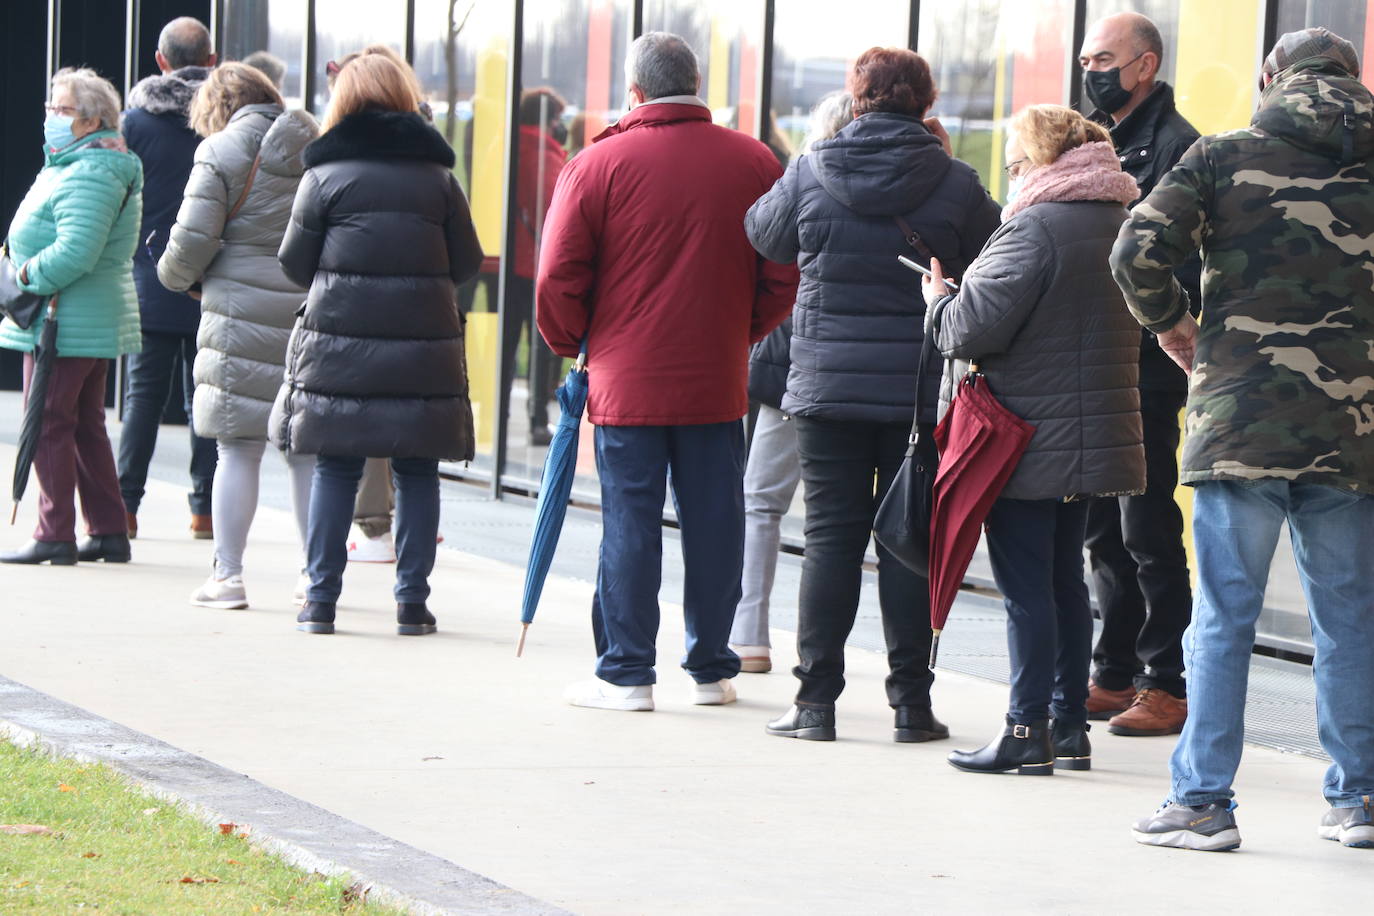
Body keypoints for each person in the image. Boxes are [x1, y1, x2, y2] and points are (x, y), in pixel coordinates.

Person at [1115, 27, 1374, 852]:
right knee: (1351, 618)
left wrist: (1174, 328)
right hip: (1354, 429)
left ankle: (1202, 803)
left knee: (1224, 617)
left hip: (1241, 423)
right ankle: (1361, 799)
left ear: (1273, 75)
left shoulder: (1226, 152)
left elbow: (1138, 247)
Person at [537, 32, 798, 711]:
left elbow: (557, 277)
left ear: (634, 91)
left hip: (627, 381)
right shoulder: (755, 162)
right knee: (716, 521)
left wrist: (578, 343)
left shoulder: (598, 165)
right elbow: (782, 275)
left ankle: (626, 672)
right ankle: (712, 668)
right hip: (716, 378)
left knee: (629, 521)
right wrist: (738, 334)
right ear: (698, 83)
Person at [747, 48, 1000, 742]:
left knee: (829, 540)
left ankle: (814, 705)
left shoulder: (811, 168)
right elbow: (997, 253)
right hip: (913, 393)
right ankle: (911, 707)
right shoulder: (953, 181)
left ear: (856, 100)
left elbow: (763, 235)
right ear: (928, 103)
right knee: (906, 540)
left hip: (824, 388)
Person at [927, 104, 1144, 774]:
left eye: (1018, 161)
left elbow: (967, 330)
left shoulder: (1035, 228)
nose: (1013, 174)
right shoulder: (1119, 220)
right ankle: (1069, 727)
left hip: (1026, 438)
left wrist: (938, 299)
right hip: (1092, 434)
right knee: (1065, 583)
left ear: (1045, 159)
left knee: (1027, 588)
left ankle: (1025, 733)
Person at [271, 54, 483, 635]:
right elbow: (466, 261)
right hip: (424, 348)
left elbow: (294, 265)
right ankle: (412, 603)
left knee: (336, 466)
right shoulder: (440, 180)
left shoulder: (323, 177)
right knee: (417, 471)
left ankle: (320, 603)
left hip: (340, 347)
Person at [156, 63, 319, 609]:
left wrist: (172, 278)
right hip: (302, 314)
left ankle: (228, 577)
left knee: (236, 449)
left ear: (218, 107)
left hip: (234, 317)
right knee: (303, 453)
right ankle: (311, 575)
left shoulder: (221, 152)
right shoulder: (314, 147)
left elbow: (191, 241)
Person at [1079, 11, 1200, 737]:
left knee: (1148, 527)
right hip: (1100, 364)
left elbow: (1177, 268)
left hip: (1149, 368)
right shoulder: (1101, 145)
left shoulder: (1178, 148)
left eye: (1104, 58)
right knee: (1103, 530)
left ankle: (1166, 681)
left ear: (1144, 65)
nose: (1091, 71)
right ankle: (1112, 669)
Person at [730, 89, 855, 676]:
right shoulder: (914, 183)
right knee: (854, 519)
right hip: (868, 375)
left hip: (793, 362)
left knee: (762, 501)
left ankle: (749, 631)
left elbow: (762, 238)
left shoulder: (805, 178)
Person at [0, 68, 142, 566]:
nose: (50, 118)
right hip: (74, 316)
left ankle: (53, 532)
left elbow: (76, 250)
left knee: (48, 423)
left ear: (90, 120)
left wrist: (22, 276)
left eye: (60, 110)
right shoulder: (78, 163)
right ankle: (106, 529)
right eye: (50, 108)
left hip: (65, 316)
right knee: (81, 424)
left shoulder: (92, 171)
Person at [117, 16, 218, 542]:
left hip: (149, 278)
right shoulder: (224, 124)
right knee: (205, 397)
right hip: (212, 281)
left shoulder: (134, 123)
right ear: (213, 60)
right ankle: (202, 510)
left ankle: (125, 507)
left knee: (141, 400)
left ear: (161, 61)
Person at [504, 87, 568, 449]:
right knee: (542, 346)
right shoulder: (543, 156)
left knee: (508, 344)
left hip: (505, 264)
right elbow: (554, 212)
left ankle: (500, 417)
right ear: (548, 121)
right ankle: (538, 419)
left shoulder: (509, 148)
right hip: (535, 264)